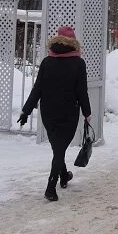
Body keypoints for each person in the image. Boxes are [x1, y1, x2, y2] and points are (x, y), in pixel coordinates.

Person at [18, 26, 91, 201]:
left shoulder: (46, 62)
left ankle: (64, 175)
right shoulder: (78, 63)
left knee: (58, 148)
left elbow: (37, 90)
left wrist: (26, 111)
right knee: (59, 149)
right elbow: (82, 91)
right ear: (74, 43)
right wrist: (87, 113)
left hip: (48, 111)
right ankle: (51, 186)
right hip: (68, 112)